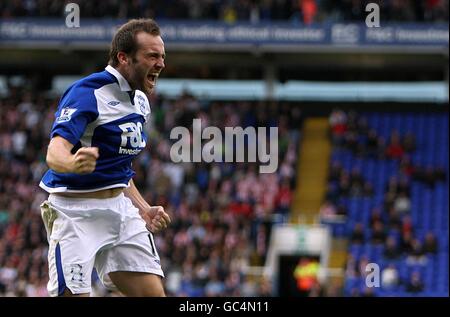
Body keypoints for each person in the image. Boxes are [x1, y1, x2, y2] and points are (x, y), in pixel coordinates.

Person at [38, 19, 171, 297]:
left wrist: (143, 208)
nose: (160, 64)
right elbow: (55, 151)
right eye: (152, 56)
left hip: (121, 211)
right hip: (75, 215)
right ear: (124, 58)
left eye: (162, 56)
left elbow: (120, 167)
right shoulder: (87, 93)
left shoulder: (141, 101)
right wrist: (73, 163)